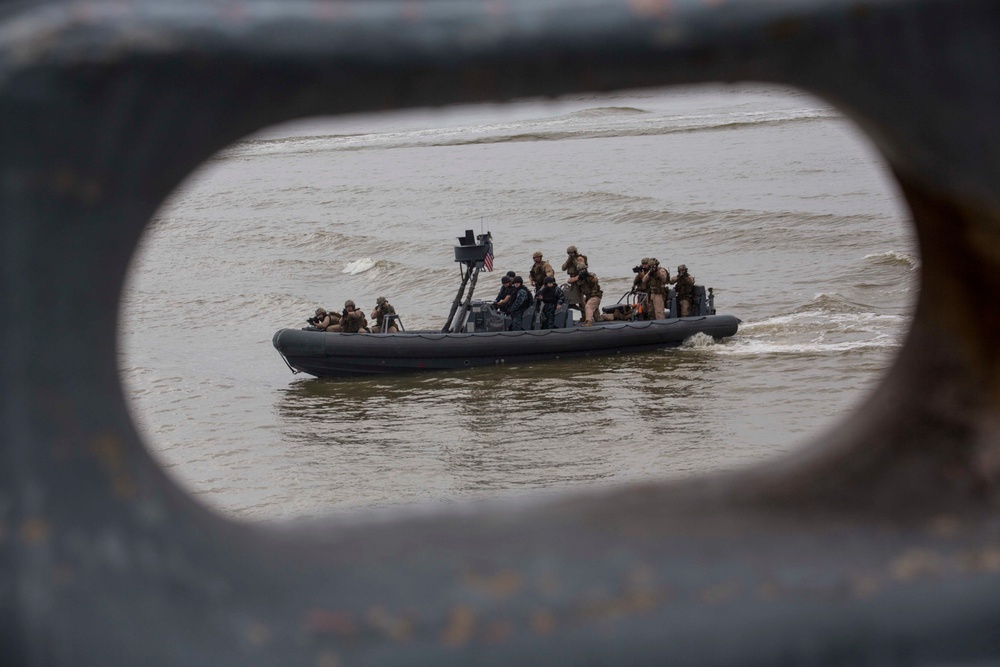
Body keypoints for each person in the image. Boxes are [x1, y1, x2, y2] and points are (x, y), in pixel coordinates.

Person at [561, 245, 588, 312]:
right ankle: (584, 315)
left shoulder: (579, 258)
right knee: (576, 298)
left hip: (579, 280)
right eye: (569, 253)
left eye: (572, 253)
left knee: (580, 299)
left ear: (575, 252)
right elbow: (563, 268)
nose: (570, 254)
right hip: (573, 281)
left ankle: (587, 315)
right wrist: (568, 261)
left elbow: (581, 267)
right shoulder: (569, 260)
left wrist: (574, 260)